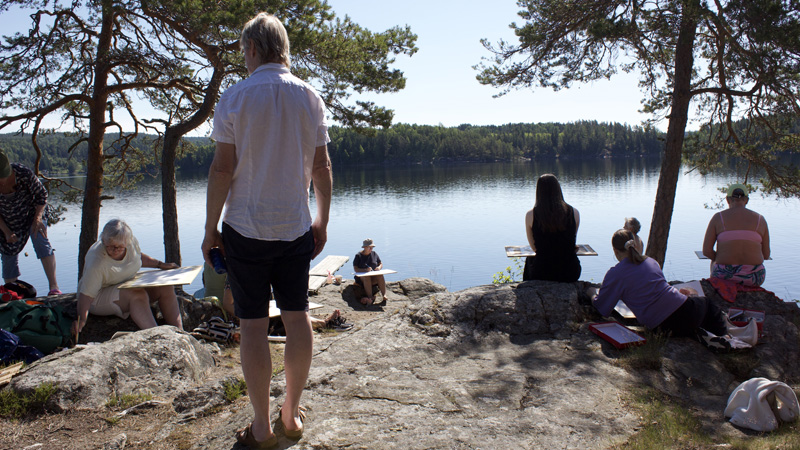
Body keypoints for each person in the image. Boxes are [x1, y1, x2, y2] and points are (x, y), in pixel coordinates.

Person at [201, 12, 332, 449]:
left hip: (245, 228)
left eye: (244, 51)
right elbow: (322, 166)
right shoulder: (310, 96)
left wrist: (209, 229)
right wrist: (322, 221)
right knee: (297, 319)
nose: (243, 58)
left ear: (254, 48)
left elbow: (222, 167)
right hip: (294, 228)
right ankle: (290, 416)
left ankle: (260, 426)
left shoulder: (235, 98)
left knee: (254, 326)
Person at [591, 229, 727, 338]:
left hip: (660, 326)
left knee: (698, 312)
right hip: (685, 313)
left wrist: (591, 293)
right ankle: (724, 336)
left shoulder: (615, 274)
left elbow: (602, 308)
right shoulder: (650, 261)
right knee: (708, 304)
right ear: (635, 245)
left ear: (615, 251)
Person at [72, 219, 183, 336]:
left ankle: (180, 333)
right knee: (137, 294)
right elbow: (86, 295)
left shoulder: (131, 243)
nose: (115, 250)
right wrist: (81, 320)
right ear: (103, 241)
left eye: (119, 247)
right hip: (97, 297)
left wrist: (161, 265)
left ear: (126, 242)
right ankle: (157, 336)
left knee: (165, 286)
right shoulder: (97, 262)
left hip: (124, 284)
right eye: (110, 246)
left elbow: (137, 257)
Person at [0, 151, 61, 295]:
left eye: (4, 176)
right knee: (8, 251)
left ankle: (54, 288)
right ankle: (12, 294)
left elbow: (42, 195)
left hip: (32, 213)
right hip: (7, 220)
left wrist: (38, 219)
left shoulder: (23, 173)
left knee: (39, 237)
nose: (2, 181)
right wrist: (7, 232)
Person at [702, 183, 770, 286]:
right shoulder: (760, 219)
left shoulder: (718, 218)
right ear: (746, 200)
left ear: (728, 200)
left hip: (724, 276)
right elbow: (766, 255)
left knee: (714, 261)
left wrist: (721, 258)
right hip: (755, 277)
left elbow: (706, 251)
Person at [523, 174, 581, 282]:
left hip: (543, 272)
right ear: (558, 189)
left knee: (530, 260)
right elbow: (571, 241)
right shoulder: (574, 213)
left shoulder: (530, 215)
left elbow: (534, 248)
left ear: (538, 192)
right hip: (570, 271)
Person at [353, 238, 389, 305]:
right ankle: (370, 297)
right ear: (364, 247)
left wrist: (379, 267)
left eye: (372, 247)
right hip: (362, 278)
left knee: (380, 275)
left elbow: (380, 263)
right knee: (367, 277)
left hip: (373, 276)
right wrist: (365, 270)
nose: (371, 249)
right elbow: (356, 269)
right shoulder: (358, 256)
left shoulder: (374, 253)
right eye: (369, 247)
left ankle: (384, 295)